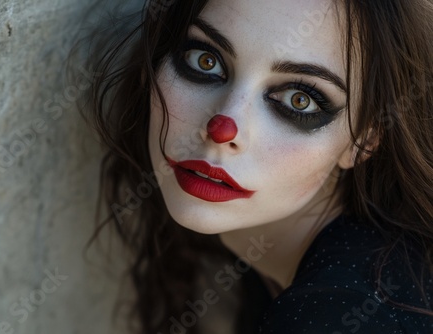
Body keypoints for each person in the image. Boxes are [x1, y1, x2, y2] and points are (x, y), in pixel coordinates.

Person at [77, 0, 433, 333]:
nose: (222, 128)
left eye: (300, 99)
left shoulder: (340, 315)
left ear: (365, 140)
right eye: (206, 61)